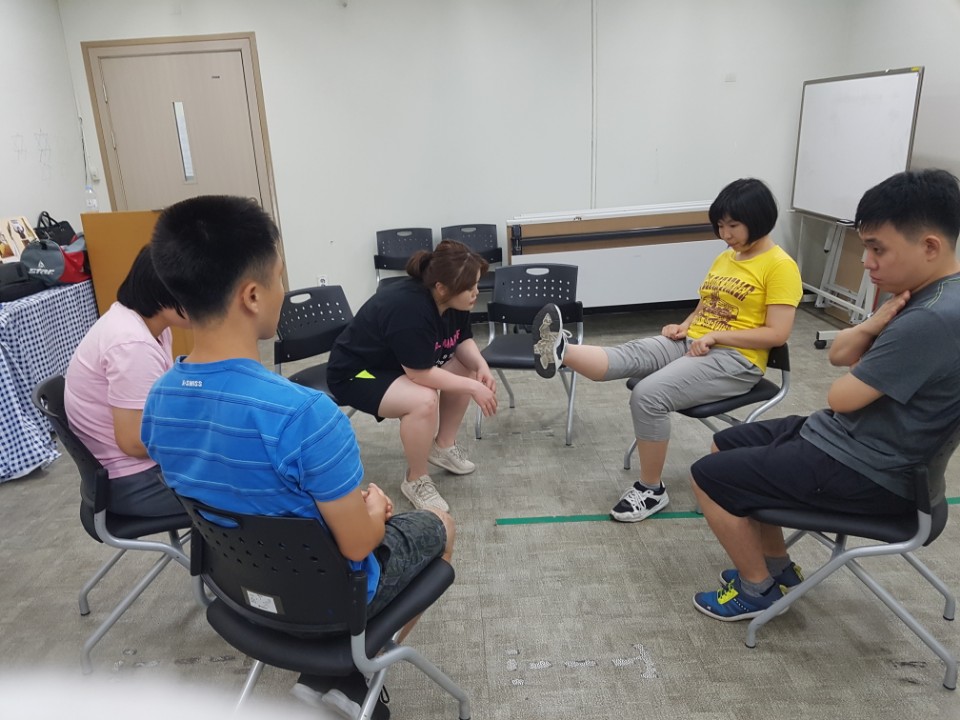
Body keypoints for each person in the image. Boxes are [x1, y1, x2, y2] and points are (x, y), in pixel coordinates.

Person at [141, 196, 455, 720]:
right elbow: (359, 543)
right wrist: (374, 509)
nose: (283, 290)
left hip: (237, 592)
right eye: (280, 277)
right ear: (252, 295)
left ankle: (342, 676)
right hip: (328, 601)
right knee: (440, 524)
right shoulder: (306, 415)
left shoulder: (158, 402)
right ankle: (356, 672)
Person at [689, 168, 960, 621]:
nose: (867, 262)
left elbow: (841, 397)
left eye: (877, 249)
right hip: (853, 441)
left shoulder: (929, 318)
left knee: (707, 476)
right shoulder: (921, 295)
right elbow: (840, 353)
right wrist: (878, 321)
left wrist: (873, 347)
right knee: (726, 443)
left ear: (929, 246)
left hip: (870, 469)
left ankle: (757, 590)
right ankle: (778, 568)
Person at [532, 178, 802, 522]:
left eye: (733, 226)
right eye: (720, 226)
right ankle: (560, 350)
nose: (725, 234)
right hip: (695, 341)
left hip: (736, 361)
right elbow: (708, 304)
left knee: (647, 395)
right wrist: (685, 325)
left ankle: (651, 490)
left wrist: (717, 337)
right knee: (630, 354)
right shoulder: (727, 257)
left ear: (759, 219)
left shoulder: (780, 266)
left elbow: (777, 333)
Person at [327, 239, 498, 513]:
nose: (475, 293)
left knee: (465, 367)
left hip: (396, 365)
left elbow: (461, 340)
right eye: (470, 287)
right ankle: (416, 479)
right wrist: (473, 388)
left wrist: (481, 365)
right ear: (441, 287)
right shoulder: (408, 308)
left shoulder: (455, 301)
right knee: (423, 399)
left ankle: (443, 447)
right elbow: (419, 374)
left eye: (476, 284)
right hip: (358, 373)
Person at [64, 245, 189, 517]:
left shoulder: (145, 324)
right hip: (133, 482)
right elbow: (134, 443)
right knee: (244, 486)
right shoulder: (133, 344)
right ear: (166, 292)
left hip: (130, 471)